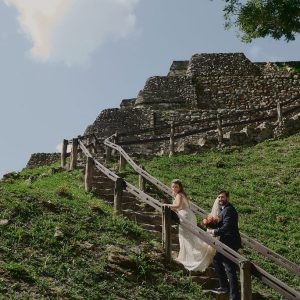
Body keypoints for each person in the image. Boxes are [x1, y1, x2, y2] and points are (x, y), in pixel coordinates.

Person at [163, 179, 217, 272]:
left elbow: (178, 206)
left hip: (185, 216)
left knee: (186, 237)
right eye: (173, 187)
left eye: (176, 186)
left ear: (180, 187)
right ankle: (187, 255)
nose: (174, 188)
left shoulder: (179, 195)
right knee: (190, 236)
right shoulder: (181, 195)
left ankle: (189, 258)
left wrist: (165, 205)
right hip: (188, 215)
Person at [207, 190, 242, 300]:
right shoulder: (224, 210)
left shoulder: (229, 210)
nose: (220, 199)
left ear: (228, 198)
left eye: (222, 197)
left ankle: (233, 295)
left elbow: (227, 227)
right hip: (226, 241)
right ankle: (224, 287)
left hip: (230, 242)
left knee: (229, 267)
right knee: (218, 260)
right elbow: (223, 225)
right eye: (219, 197)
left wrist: (214, 232)